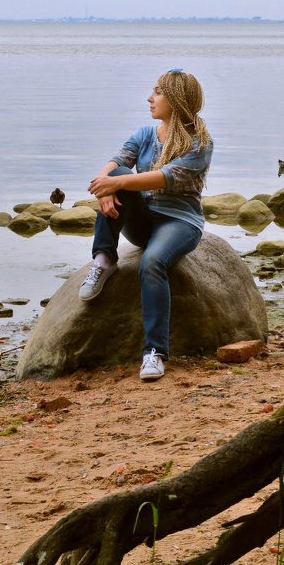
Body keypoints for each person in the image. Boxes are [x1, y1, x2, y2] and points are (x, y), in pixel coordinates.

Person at [79, 69, 213, 382]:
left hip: (180, 221)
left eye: (157, 92)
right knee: (116, 175)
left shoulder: (200, 143)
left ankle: (154, 353)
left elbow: (166, 177)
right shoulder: (143, 135)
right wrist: (106, 188)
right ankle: (103, 260)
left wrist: (115, 183)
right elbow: (115, 162)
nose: (150, 98)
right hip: (144, 219)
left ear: (177, 100)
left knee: (152, 263)